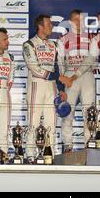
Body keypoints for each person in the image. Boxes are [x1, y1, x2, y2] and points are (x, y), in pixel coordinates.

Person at [23, 14, 66, 160]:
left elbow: (59, 68)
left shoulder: (54, 45)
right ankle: (30, 155)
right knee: (33, 122)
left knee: (51, 123)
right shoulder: (29, 44)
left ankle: (50, 154)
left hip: (52, 87)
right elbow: (35, 68)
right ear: (40, 26)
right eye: (49, 24)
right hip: (36, 84)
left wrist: (61, 88)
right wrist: (58, 77)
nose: (51, 27)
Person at [56, 10, 96, 152]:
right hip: (69, 75)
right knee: (67, 111)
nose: (78, 23)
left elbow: (93, 58)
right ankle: (67, 145)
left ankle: (89, 143)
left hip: (87, 75)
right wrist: (63, 80)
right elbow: (60, 62)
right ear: (69, 21)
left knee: (89, 111)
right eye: (75, 20)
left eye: (80, 20)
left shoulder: (92, 37)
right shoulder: (62, 39)